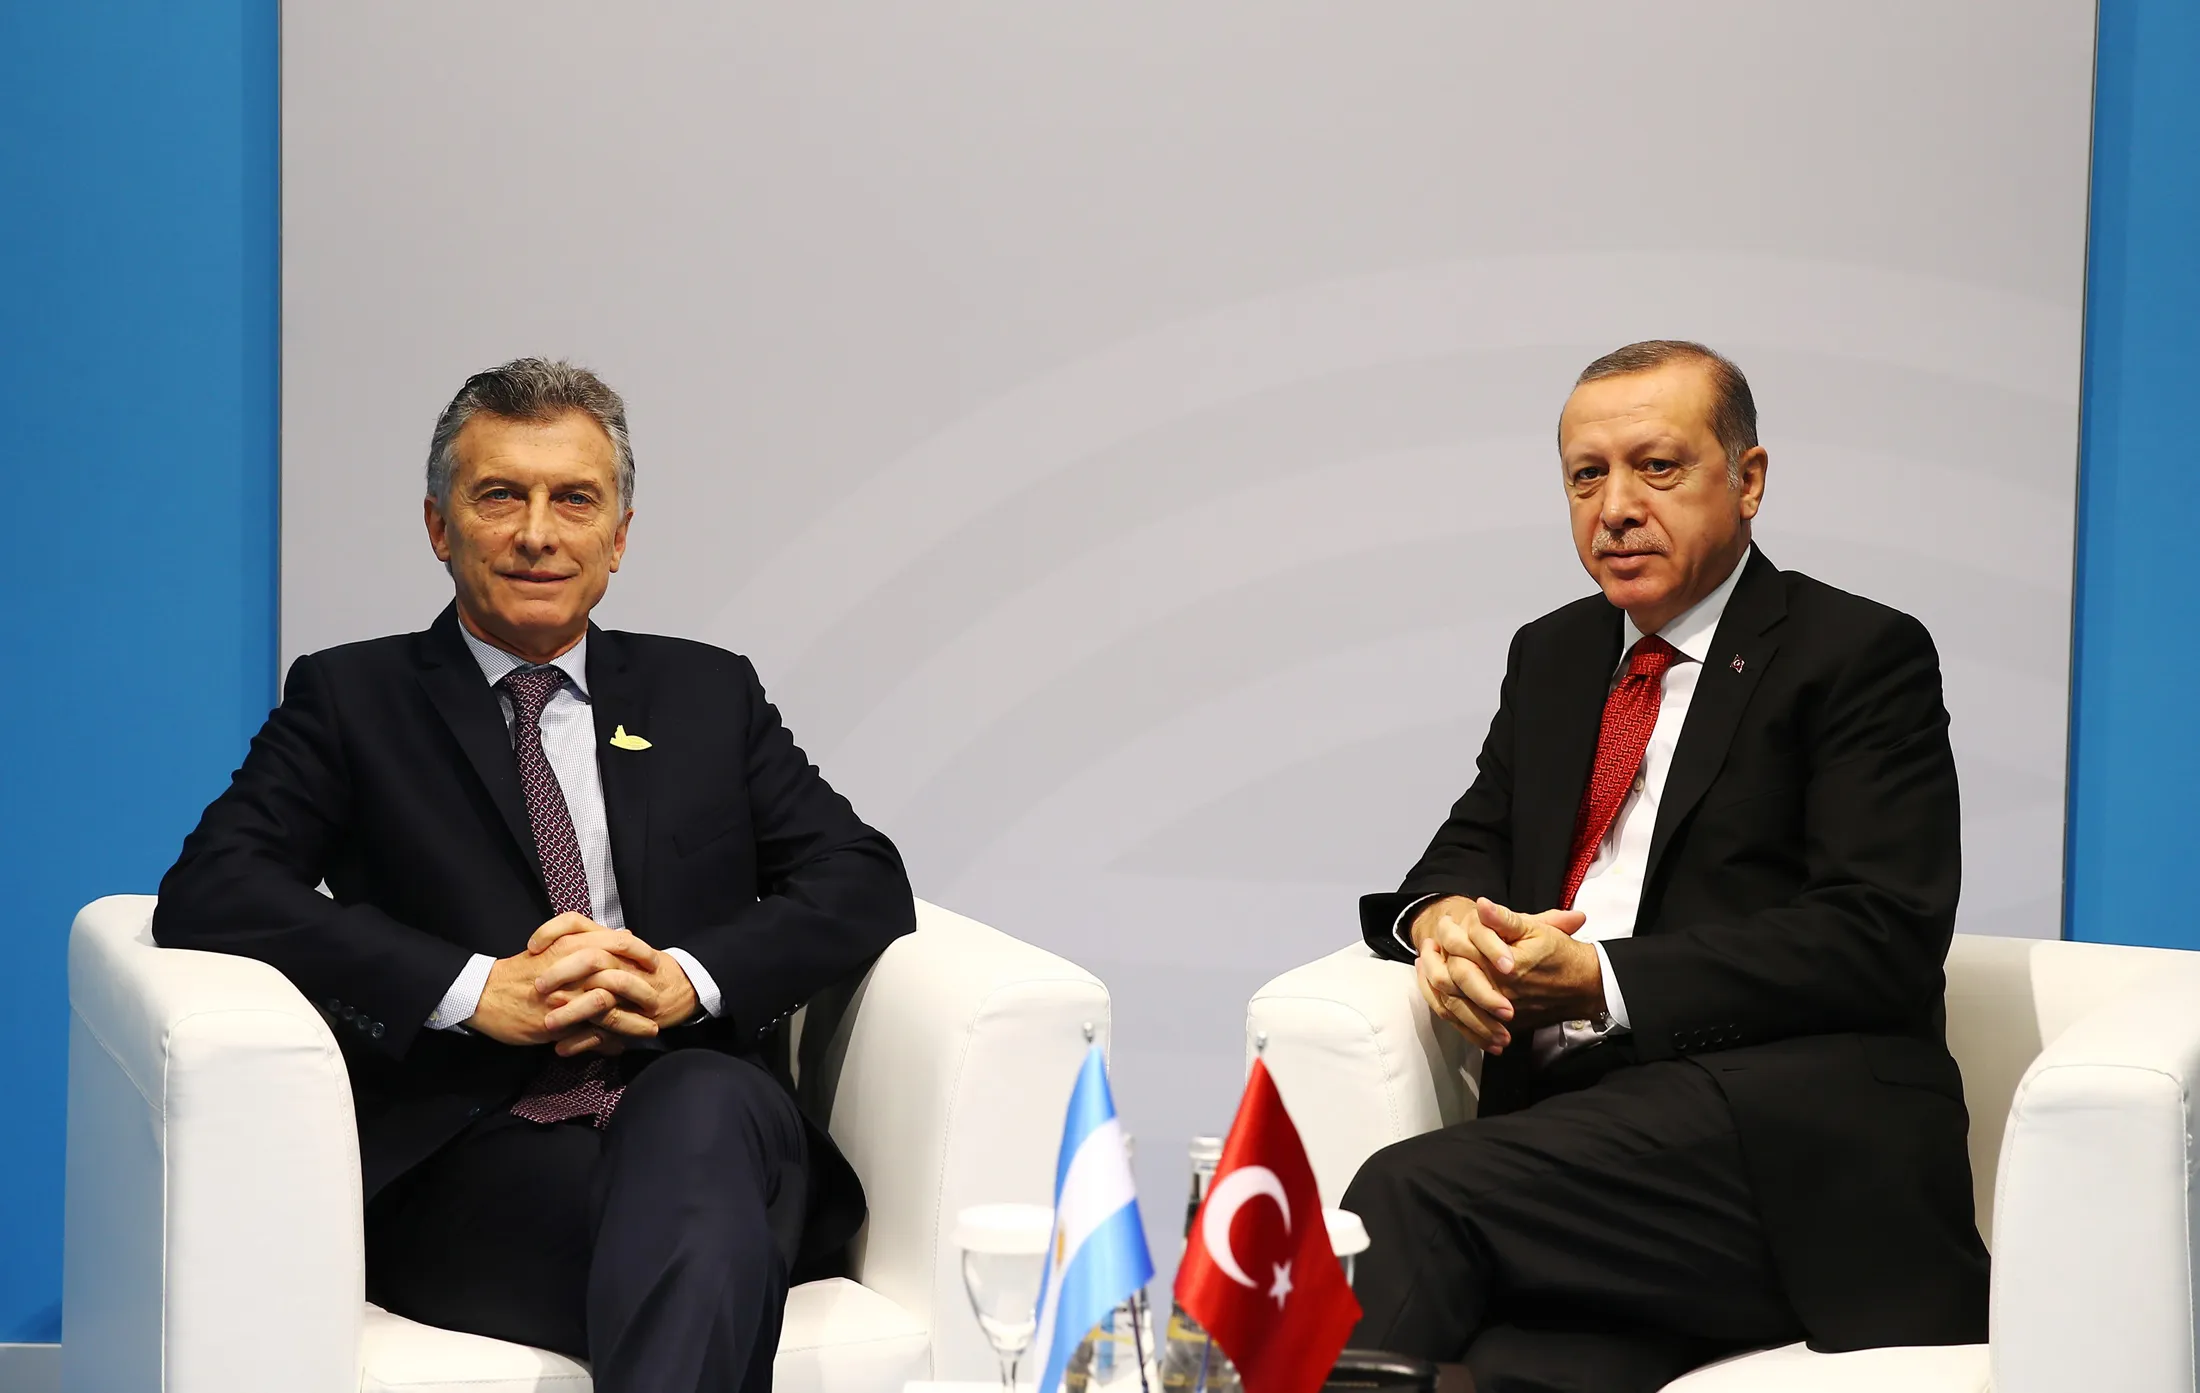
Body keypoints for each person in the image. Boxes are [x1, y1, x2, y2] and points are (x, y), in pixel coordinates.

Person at [154, 359, 915, 1393]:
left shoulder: (706, 690)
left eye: (574, 500)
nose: (537, 534)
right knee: (698, 1258)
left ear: (620, 536)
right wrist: (472, 989)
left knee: (700, 1109)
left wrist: (684, 978)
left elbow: (860, 877)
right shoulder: (351, 698)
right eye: (501, 496)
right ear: (440, 526)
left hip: (705, 1115)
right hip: (481, 1154)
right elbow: (216, 887)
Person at [1341, 341, 1987, 1393]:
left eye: (1657, 467)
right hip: (1595, 1154)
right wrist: (1444, 916)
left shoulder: (1856, 653)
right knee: (1502, 1372)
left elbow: (1880, 933)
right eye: (1585, 476)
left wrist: (1600, 979)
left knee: (1405, 1194)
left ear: (1748, 480)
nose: (1616, 508)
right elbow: (1473, 840)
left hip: (1781, 1144)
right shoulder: (1554, 654)